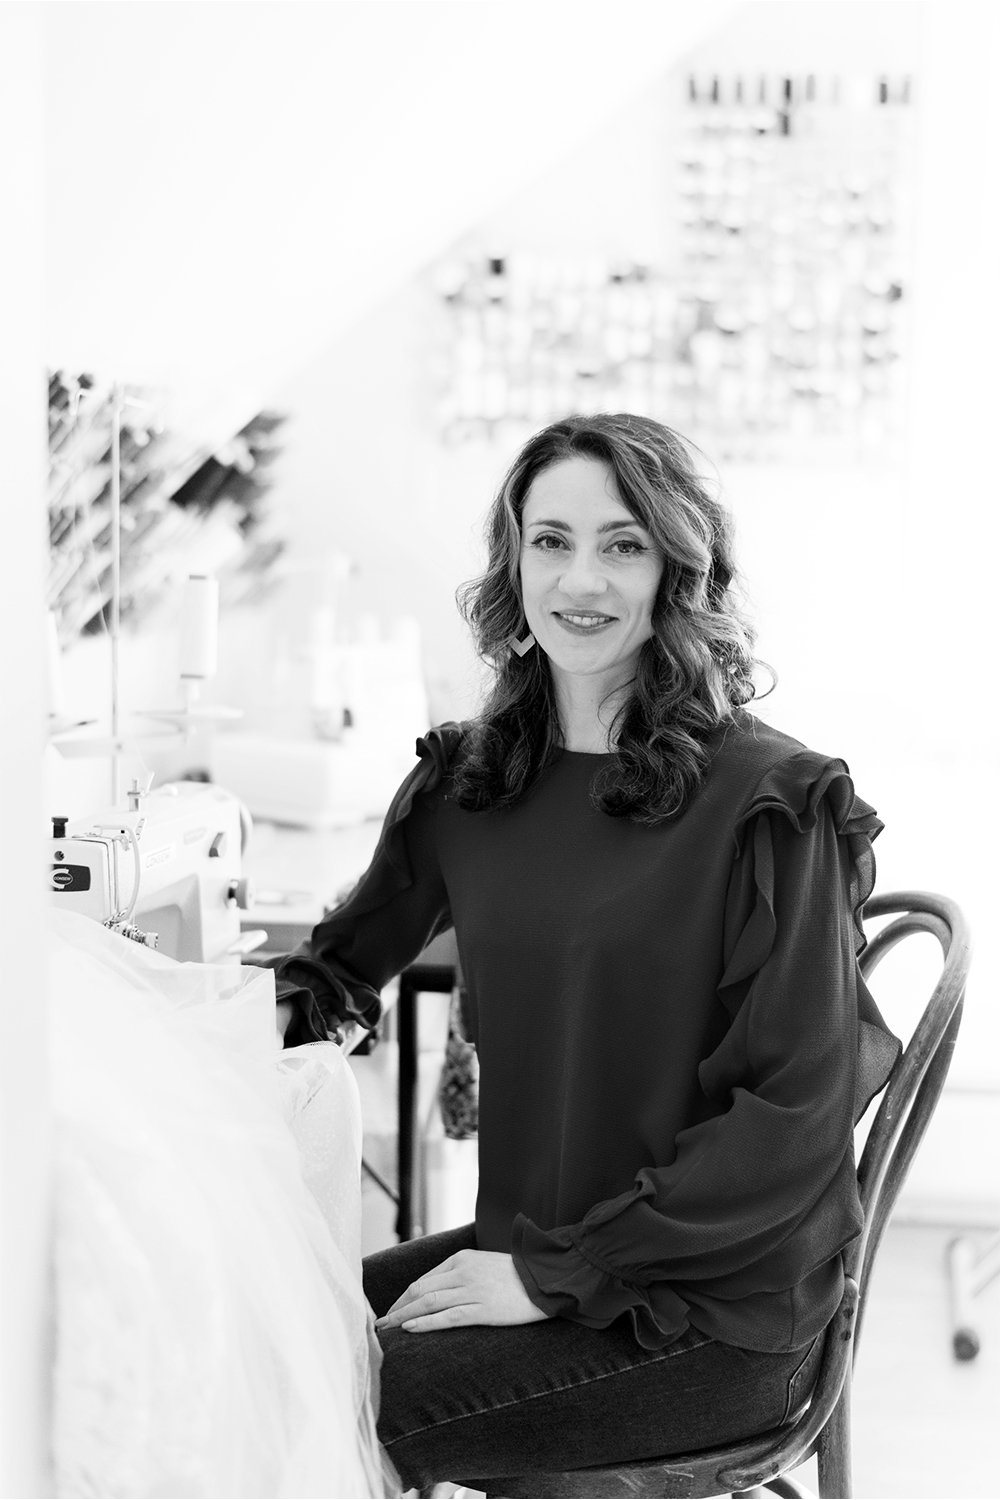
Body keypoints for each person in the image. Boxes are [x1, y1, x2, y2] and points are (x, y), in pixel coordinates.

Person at [267, 413, 901, 1496]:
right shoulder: (471, 786)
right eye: (550, 540)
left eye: (623, 544)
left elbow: (800, 1108)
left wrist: (562, 1276)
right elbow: (332, 971)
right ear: (512, 564)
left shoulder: (768, 804)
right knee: (254, 1317)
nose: (583, 579)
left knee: (289, 1397)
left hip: (711, 1315)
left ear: (676, 570)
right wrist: (191, 1052)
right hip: (537, 1247)